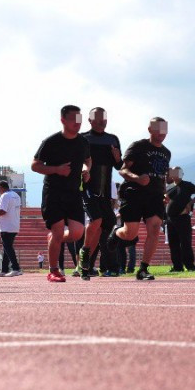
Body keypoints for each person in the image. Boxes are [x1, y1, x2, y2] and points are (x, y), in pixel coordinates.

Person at [31, 105, 91, 283]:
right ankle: (54, 270)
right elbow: (35, 165)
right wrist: (56, 169)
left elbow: (88, 159)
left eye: (79, 119)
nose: (77, 123)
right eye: (73, 119)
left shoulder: (83, 142)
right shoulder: (51, 142)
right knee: (58, 232)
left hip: (73, 193)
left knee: (77, 233)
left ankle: (53, 239)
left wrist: (87, 170)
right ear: (63, 120)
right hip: (54, 192)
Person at [111, 117, 172, 281]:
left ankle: (143, 269)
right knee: (130, 234)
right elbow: (123, 171)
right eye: (158, 129)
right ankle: (116, 234)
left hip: (155, 197)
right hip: (134, 193)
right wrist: (138, 178)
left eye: (164, 130)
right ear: (150, 129)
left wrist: (165, 193)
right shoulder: (138, 146)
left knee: (155, 227)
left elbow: (162, 177)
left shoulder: (167, 153)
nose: (161, 134)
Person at [80, 107, 122, 279]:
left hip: (104, 191)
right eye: (97, 119)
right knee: (97, 220)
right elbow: (79, 161)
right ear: (89, 120)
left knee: (109, 223)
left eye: (104, 119)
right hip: (87, 187)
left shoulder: (112, 139)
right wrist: (84, 170)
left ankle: (88, 262)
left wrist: (118, 158)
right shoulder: (83, 138)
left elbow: (120, 166)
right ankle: (86, 254)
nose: (101, 122)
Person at [164, 167, 195, 272]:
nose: (174, 173)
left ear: (181, 174)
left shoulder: (187, 185)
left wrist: (190, 203)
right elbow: (165, 199)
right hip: (170, 219)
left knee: (185, 242)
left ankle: (190, 266)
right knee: (173, 244)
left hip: (183, 218)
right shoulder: (170, 187)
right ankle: (177, 267)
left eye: (176, 171)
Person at [0, 180, 22, 276]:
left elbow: (2, 211)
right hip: (14, 224)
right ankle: (4, 269)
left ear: (1, 187)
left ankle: (16, 268)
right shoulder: (16, 195)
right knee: (6, 248)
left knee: (8, 247)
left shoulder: (5, 196)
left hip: (6, 226)